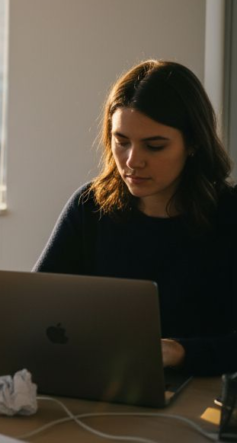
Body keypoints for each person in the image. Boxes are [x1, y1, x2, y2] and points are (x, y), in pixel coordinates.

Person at [35, 60, 236, 376]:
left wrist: (179, 352)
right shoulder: (90, 207)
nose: (132, 161)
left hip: (199, 396)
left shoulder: (229, 216)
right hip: (98, 382)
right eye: (121, 141)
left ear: (194, 143)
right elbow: (34, 306)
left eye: (154, 146)